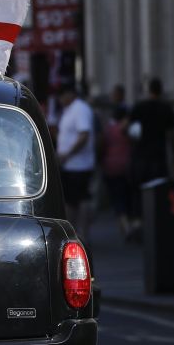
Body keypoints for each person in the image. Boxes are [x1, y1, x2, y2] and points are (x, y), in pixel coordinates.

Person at [128, 77, 174, 234]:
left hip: (141, 155)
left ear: (149, 90)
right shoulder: (166, 108)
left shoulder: (139, 107)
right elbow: (172, 134)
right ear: (161, 90)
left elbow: (129, 129)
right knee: (159, 189)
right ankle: (158, 220)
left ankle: (138, 221)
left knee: (138, 189)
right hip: (158, 155)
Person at [56, 80, 96, 241]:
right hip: (70, 165)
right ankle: (74, 233)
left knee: (80, 199)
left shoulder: (80, 109)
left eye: (61, 96)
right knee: (71, 200)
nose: (60, 100)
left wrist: (68, 153)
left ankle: (82, 234)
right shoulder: (69, 110)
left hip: (80, 165)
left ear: (69, 94)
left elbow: (84, 135)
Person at [101, 105, 132, 237]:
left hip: (110, 167)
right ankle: (128, 225)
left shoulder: (108, 129)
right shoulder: (128, 130)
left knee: (117, 198)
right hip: (127, 166)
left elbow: (102, 146)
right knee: (126, 196)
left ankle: (124, 226)